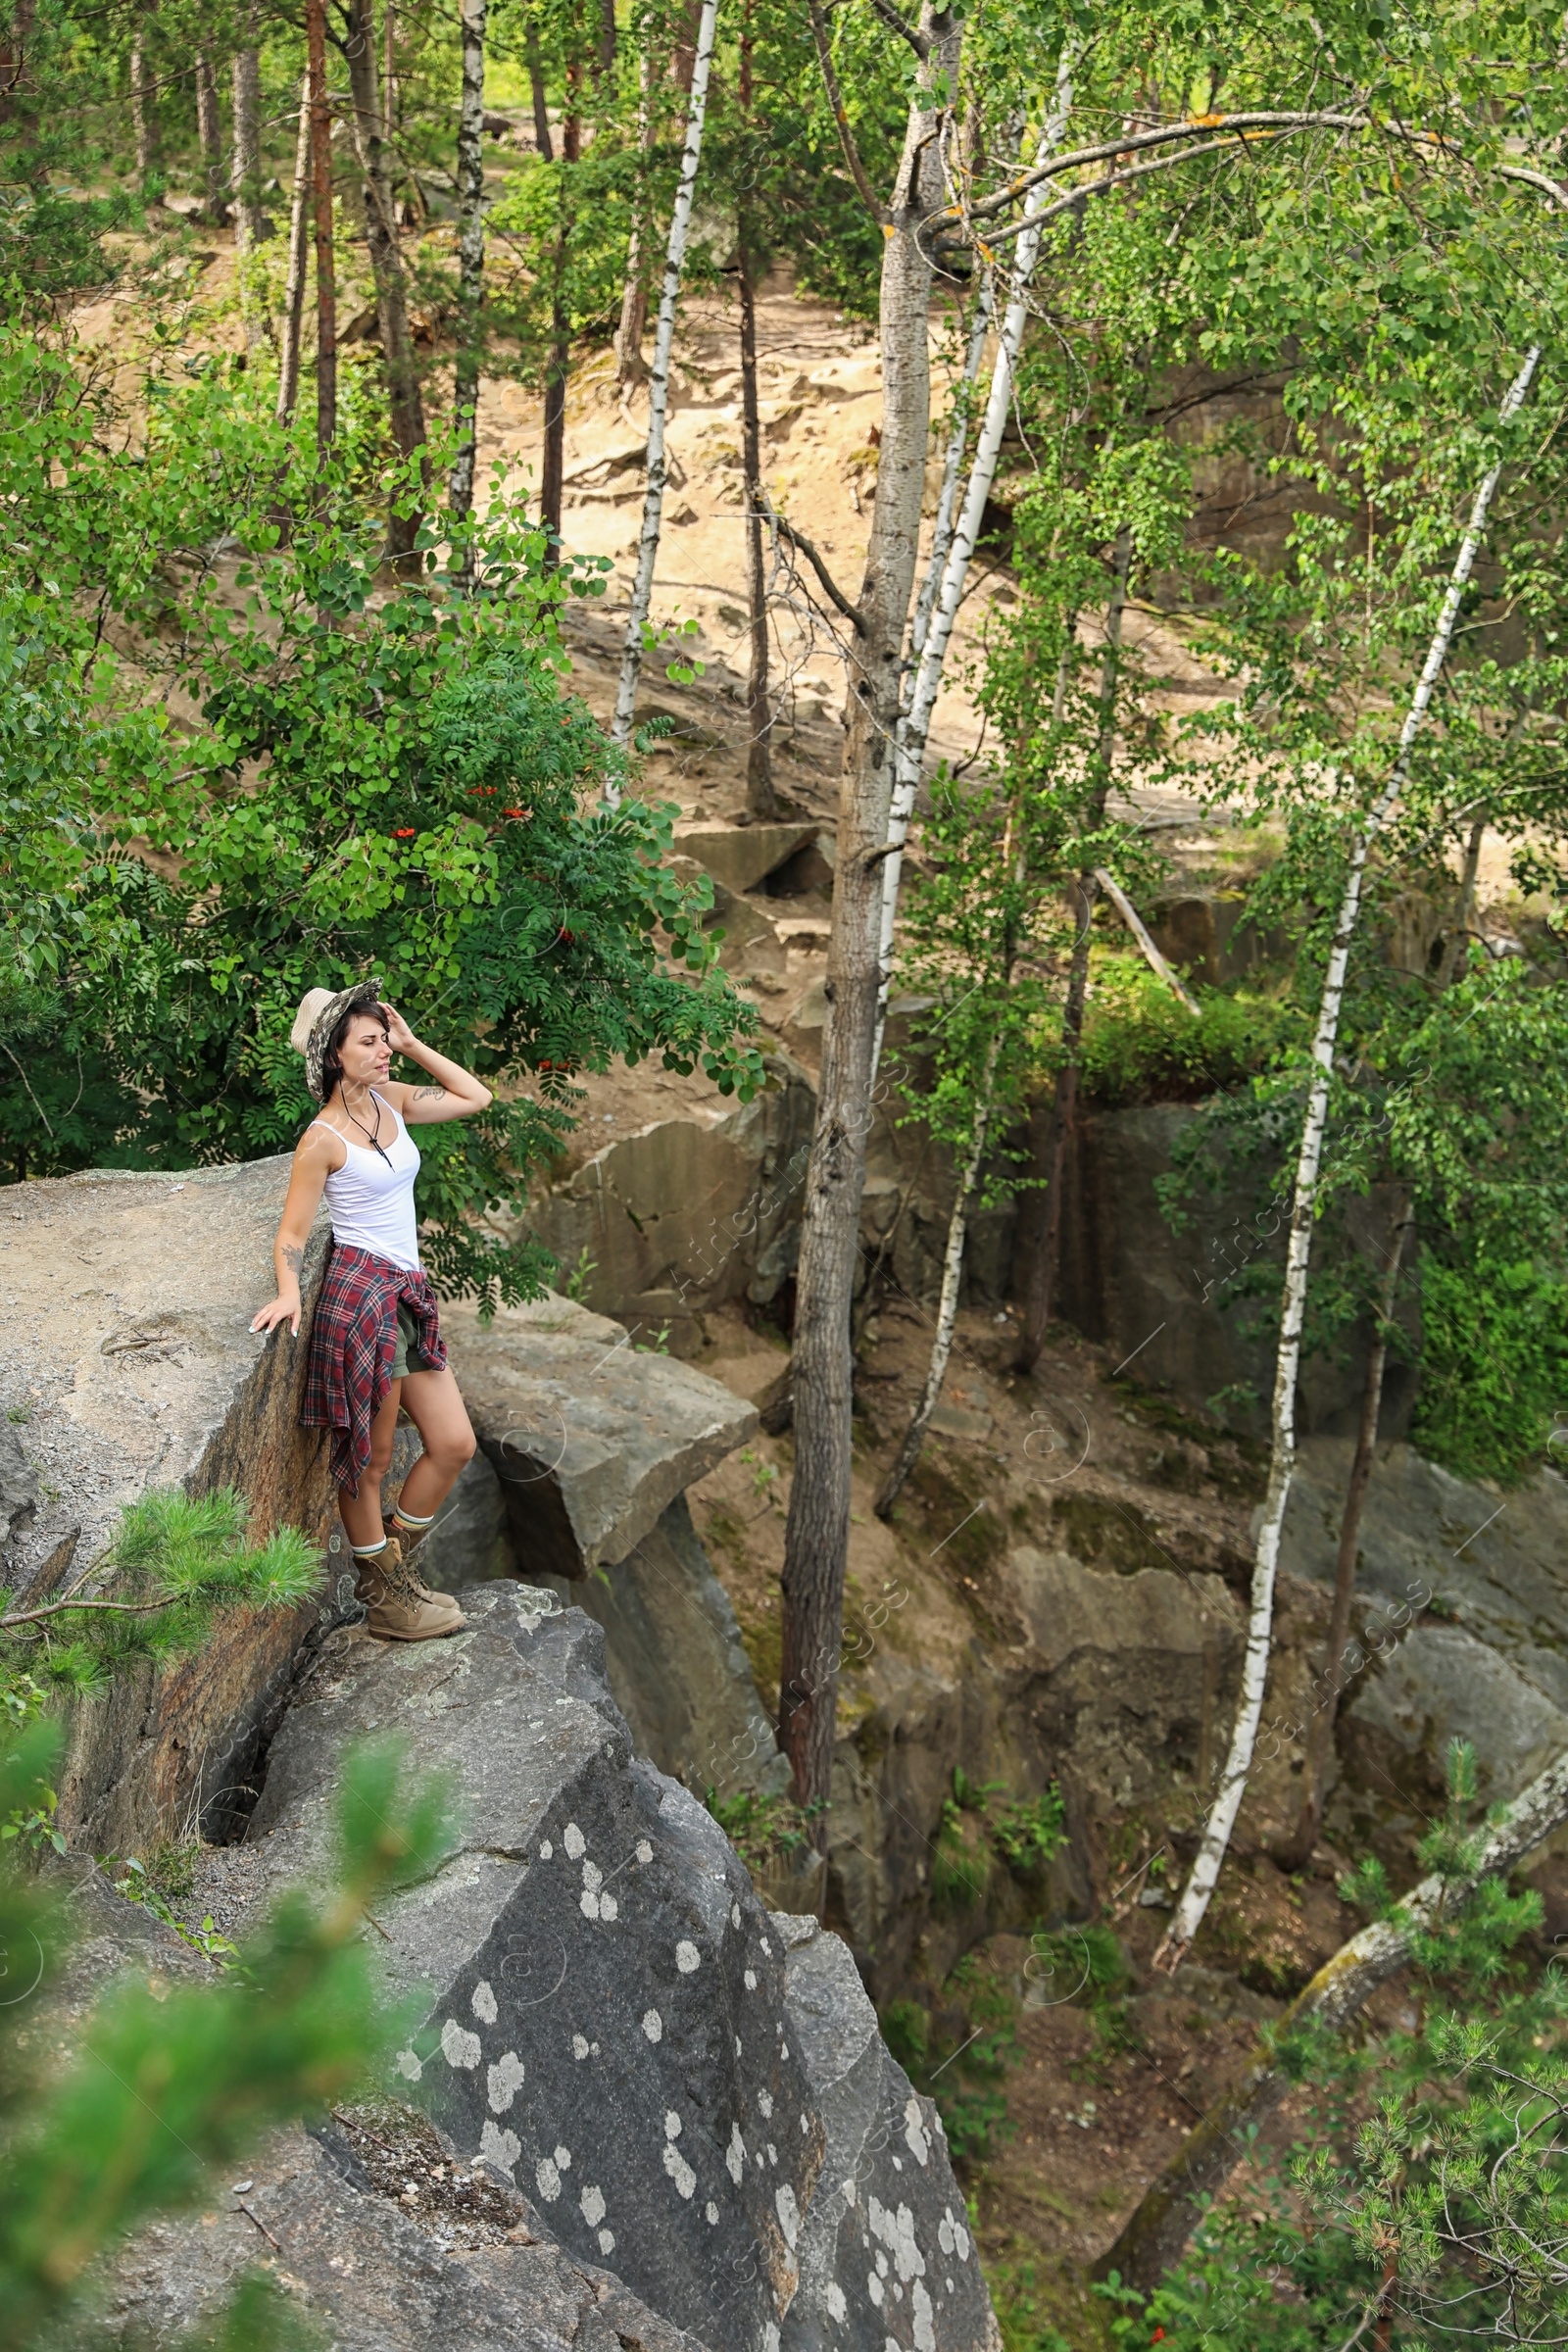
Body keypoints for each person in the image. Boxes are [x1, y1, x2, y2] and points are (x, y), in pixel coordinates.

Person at [252, 980, 492, 1642]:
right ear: (335, 1054)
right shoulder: (322, 1138)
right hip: (362, 1299)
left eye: (384, 1037)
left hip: (405, 1291)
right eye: (370, 1040)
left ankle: (389, 1569)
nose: (384, 1048)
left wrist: (415, 1044)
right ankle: (388, 1601)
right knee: (369, 1459)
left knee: (452, 1443)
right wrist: (288, 1288)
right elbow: (293, 1234)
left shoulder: (392, 1099)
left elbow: (478, 1097)